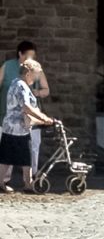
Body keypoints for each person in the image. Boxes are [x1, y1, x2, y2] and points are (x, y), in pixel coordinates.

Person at [1, 59, 54, 193]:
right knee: (22, 157)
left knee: (11, 157)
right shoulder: (21, 85)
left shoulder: (17, 83)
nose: (36, 78)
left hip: (13, 127)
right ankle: (28, 184)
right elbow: (27, 107)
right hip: (18, 129)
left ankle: (26, 183)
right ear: (28, 73)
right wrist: (44, 118)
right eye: (35, 74)